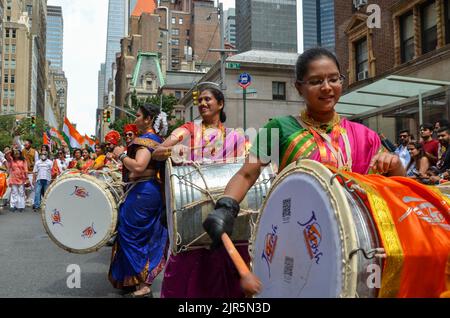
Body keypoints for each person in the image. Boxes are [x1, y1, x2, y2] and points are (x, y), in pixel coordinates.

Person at [202, 48, 406, 282]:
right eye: (316, 81)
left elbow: (398, 189)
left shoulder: (365, 135)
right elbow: (248, 174)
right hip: (298, 239)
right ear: (299, 87)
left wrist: (395, 165)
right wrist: (226, 207)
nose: (327, 87)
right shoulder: (278, 128)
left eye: (334, 79)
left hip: (359, 243)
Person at [153, 84, 248, 298]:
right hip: (193, 206)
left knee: (227, 263)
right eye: (200, 100)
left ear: (220, 103)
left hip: (225, 204)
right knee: (189, 264)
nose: (202, 103)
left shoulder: (236, 137)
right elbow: (157, 152)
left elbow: (244, 167)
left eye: (208, 99)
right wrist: (175, 149)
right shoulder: (188, 129)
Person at [108, 103, 168, 298]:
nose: (135, 119)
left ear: (148, 119)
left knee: (130, 233)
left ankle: (143, 283)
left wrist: (121, 154)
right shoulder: (157, 139)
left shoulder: (145, 140)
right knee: (138, 234)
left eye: (138, 115)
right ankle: (131, 279)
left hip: (143, 192)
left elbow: (139, 166)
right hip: (148, 191)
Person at [21, 139, 38, 207]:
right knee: (24, 187)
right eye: (25, 143)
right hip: (24, 172)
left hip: (31, 172)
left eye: (27, 143)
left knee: (32, 186)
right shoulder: (22, 151)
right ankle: (25, 200)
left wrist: (35, 173)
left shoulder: (34, 152)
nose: (25, 144)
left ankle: (31, 200)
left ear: (30, 144)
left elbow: (36, 163)